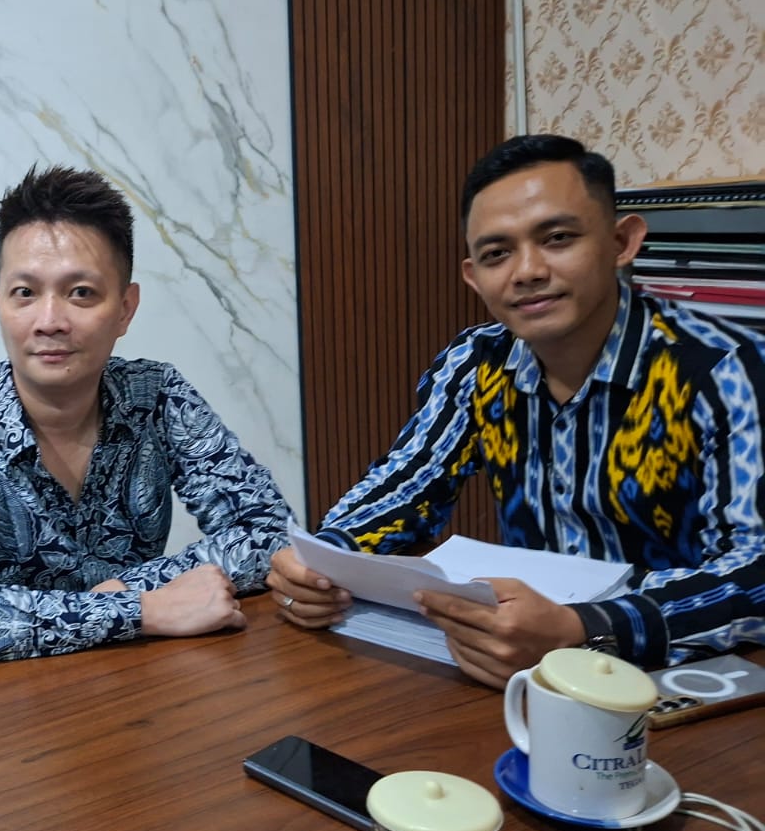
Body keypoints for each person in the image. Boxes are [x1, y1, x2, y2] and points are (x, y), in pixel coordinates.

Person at [267, 134, 765, 685]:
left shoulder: (725, 369)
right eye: (497, 254)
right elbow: (407, 484)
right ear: (473, 277)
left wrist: (585, 628)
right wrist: (321, 560)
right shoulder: (478, 361)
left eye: (557, 238)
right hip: (518, 672)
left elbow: (756, 569)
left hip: (694, 679)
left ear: (622, 242)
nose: (526, 271)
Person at [0, 165, 292, 663]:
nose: (49, 321)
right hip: (7, 696)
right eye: (25, 293)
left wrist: (121, 594)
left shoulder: (156, 396)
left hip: (138, 678)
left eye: (81, 292)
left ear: (125, 308)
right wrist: (140, 609)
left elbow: (268, 533)